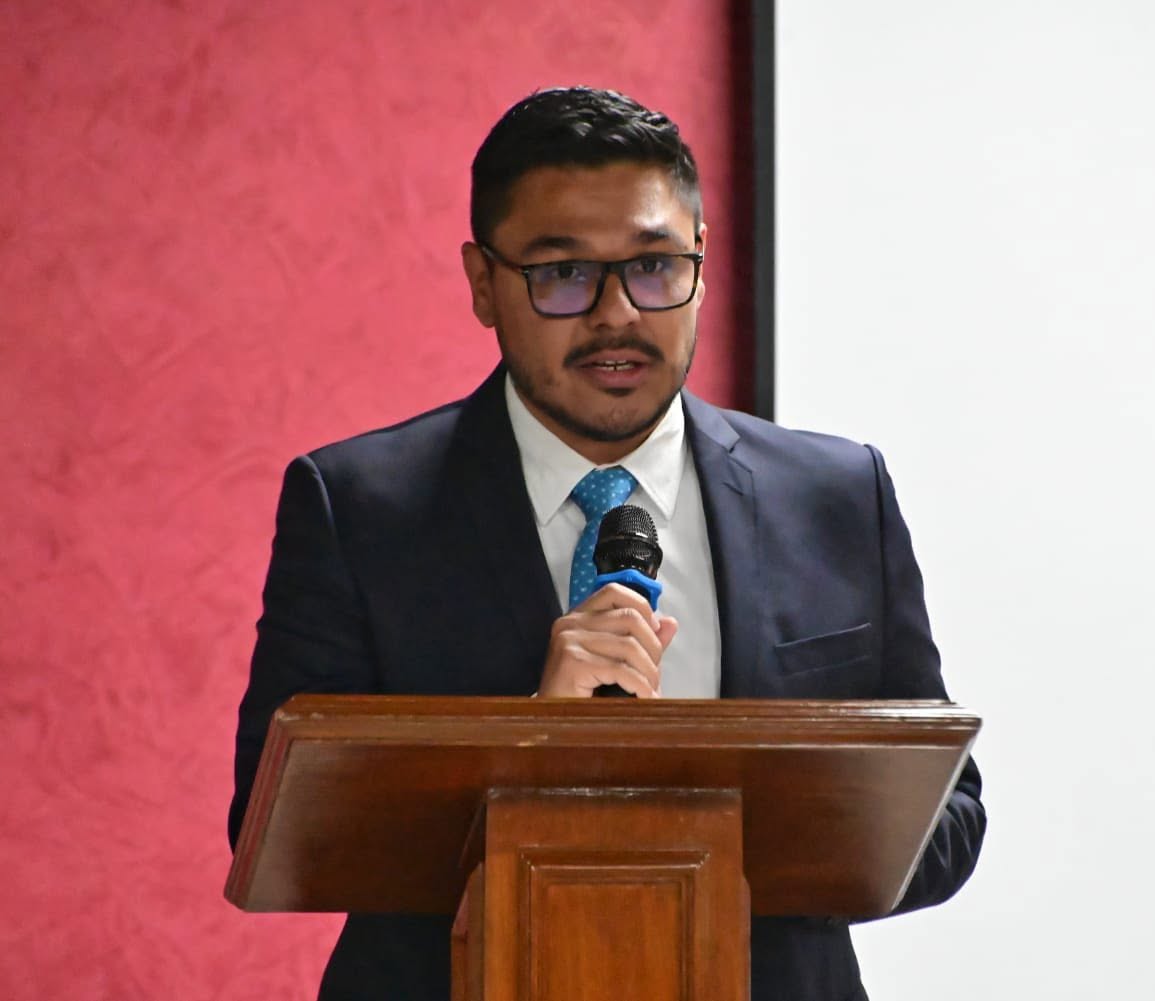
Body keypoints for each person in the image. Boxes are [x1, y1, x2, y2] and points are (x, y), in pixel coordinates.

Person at [230, 86, 984, 1001]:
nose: (617, 314)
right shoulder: (359, 508)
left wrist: (715, 832)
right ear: (483, 283)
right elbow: (281, 828)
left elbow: (950, 813)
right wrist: (532, 745)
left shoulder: (835, 496)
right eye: (562, 274)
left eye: (655, 266)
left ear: (701, 258)